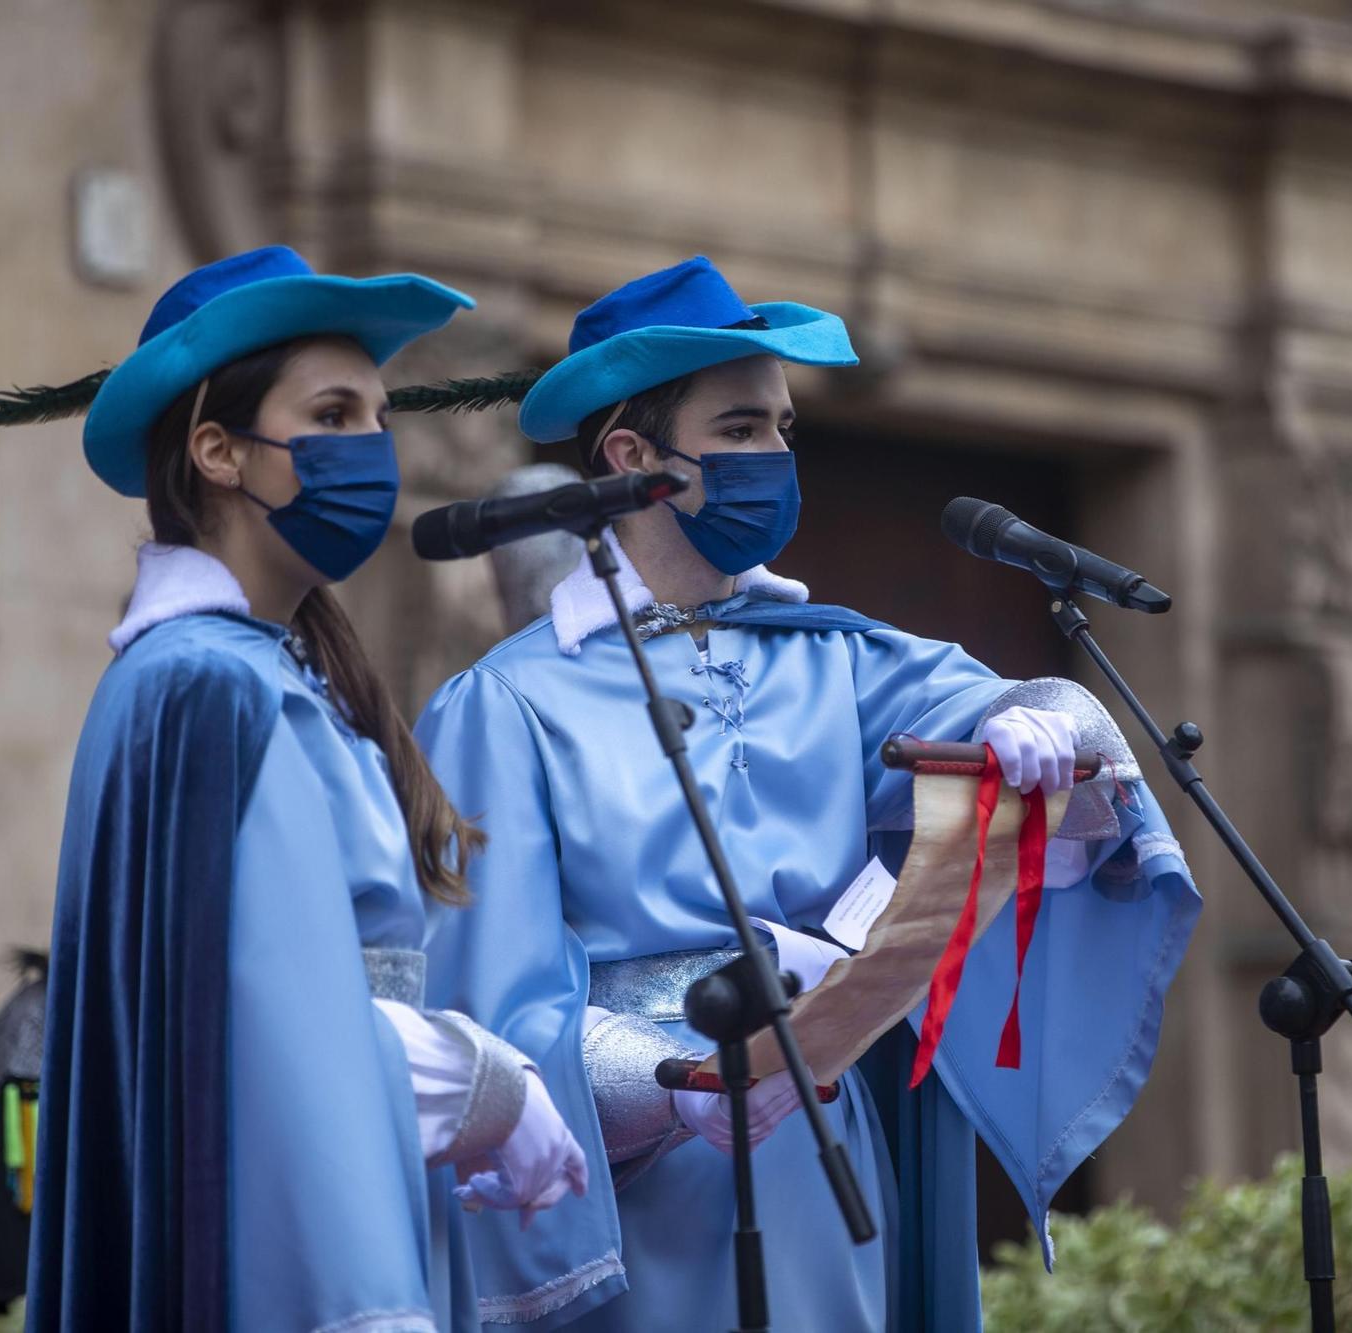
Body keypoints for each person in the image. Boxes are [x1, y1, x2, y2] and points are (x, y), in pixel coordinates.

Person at [409, 256, 1201, 1331]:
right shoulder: (499, 704)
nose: (774, 457)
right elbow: (489, 1018)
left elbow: (1038, 712)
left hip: (824, 1151)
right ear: (631, 457)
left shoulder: (832, 657)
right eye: (739, 430)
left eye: (782, 429)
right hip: (637, 1199)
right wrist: (691, 1085)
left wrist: (1045, 722)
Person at [0, 245, 589, 1333]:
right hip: (297, 1255)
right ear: (217, 449)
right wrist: (482, 1081)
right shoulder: (205, 687)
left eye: (379, 417)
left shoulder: (257, 676)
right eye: (334, 412)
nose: (373, 448)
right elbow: (273, 1025)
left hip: (359, 1197)